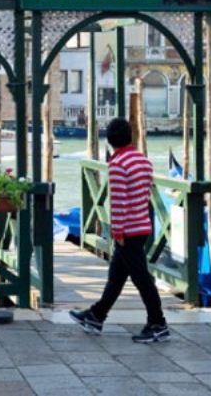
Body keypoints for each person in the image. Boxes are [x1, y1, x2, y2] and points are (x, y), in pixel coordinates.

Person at [70, 117, 169, 343]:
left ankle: (158, 323)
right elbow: (143, 195)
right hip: (142, 225)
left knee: (142, 278)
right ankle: (96, 315)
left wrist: (117, 232)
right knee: (116, 277)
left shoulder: (117, 165)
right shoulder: (143, 161)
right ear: (130, 136)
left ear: (110, 140)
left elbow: (119, 202)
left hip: (128, 231)